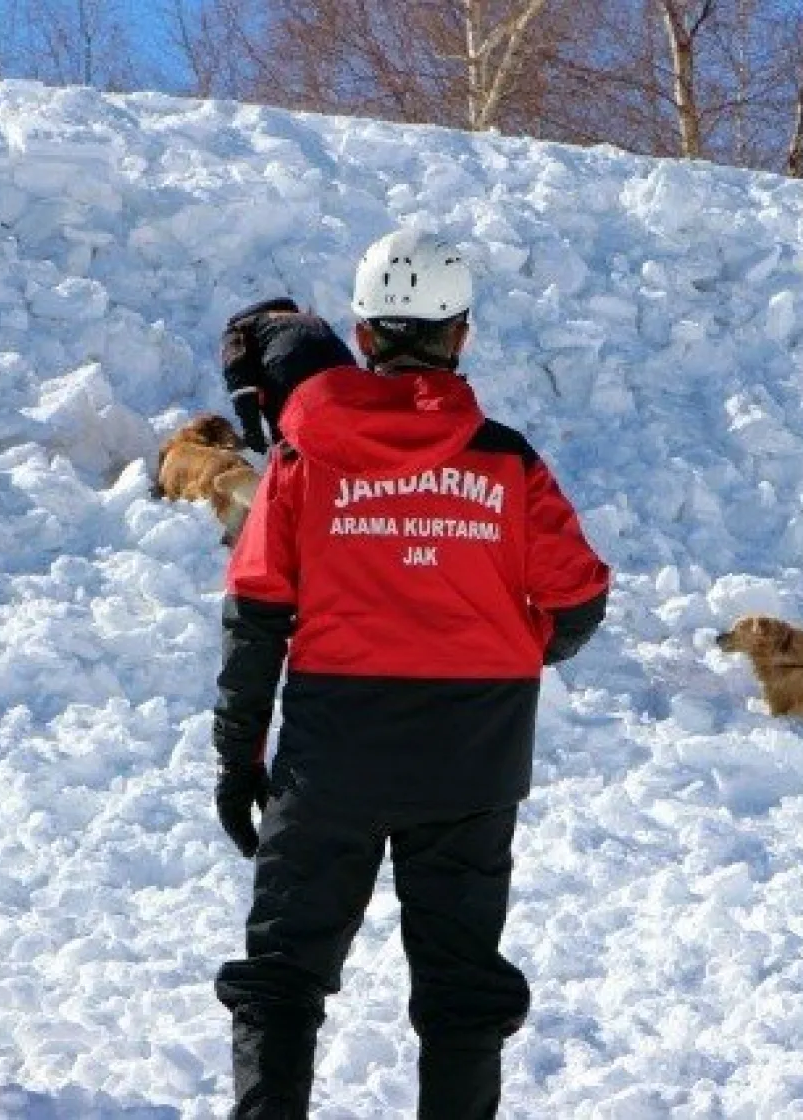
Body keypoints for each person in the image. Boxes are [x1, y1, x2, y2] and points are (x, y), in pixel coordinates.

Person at [211, 228, 611, 1118]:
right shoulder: (507, 461)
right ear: (460, 336)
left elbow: (256, 617)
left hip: (331, 758)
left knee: (282, 978)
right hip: (474, 759)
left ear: (362, 335)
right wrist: (509, 655)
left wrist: (238, 758)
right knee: (462, 994)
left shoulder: (302, 457)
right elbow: (579, 599)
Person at [221, 297, 357, 454]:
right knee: (344, 434)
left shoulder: (238, 328)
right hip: (341, 363)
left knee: (291, 444)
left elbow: (238, 375)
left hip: (287, 362)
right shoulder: (308, 319)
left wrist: (252, 430)